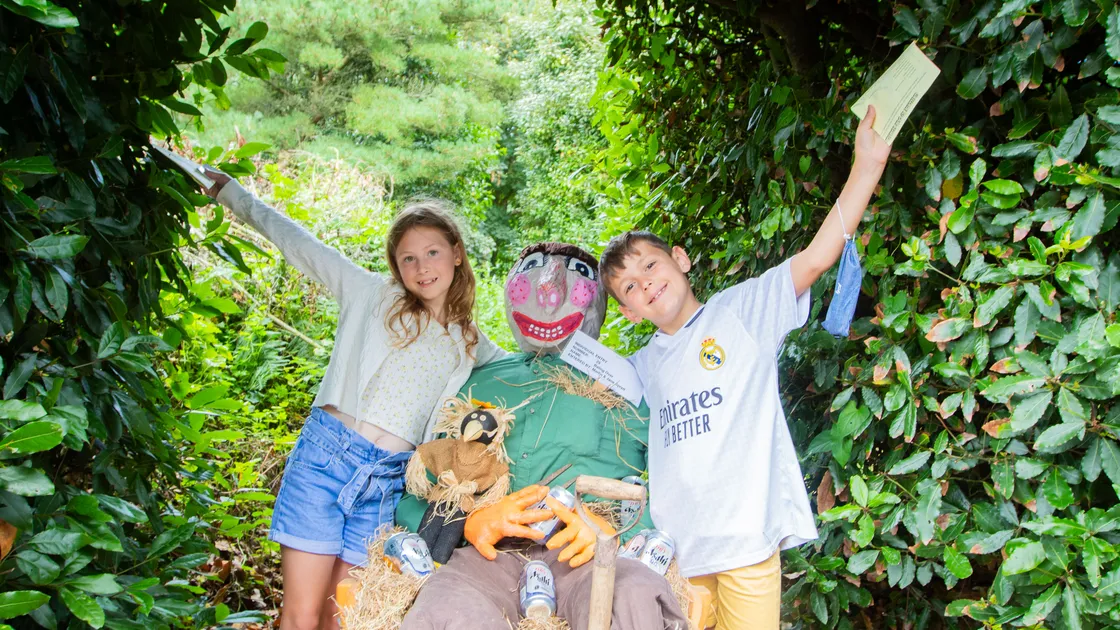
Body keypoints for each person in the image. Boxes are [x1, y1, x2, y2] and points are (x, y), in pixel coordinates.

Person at [597, 106, 892, 630]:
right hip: (676, 557)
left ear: (681, 259)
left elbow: (818, 256)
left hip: (745, 545)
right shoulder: (637, 367)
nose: (645, 283)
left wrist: (866, 166)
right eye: (629, 287)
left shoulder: (743, 311)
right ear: (628, 310)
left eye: (650, 265)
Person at [201, 169, 505, 630]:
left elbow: (525, 367)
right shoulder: (369, 294)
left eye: (432, 253)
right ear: (395, 267)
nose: (422, 267)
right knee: (301, 616)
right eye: (408, 259)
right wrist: (230, 193)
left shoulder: (470, 341)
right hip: (327, 459)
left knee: (343, 617)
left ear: (457, 255)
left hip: (385, 483)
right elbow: (297, 242)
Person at [397, 242, 688, 629]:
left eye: (576, 276)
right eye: (533, 270)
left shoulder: (623, 385)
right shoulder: (478, 380)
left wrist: (615, 529)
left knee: (633, 596)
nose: (551, 293)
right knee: (444, 611)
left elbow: (673, 480)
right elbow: (419, 488)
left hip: (583, 555)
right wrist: (467, 523)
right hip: (486, 560)